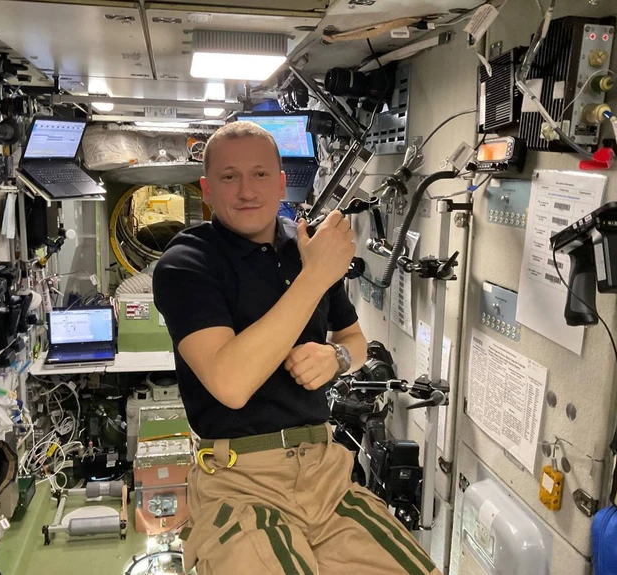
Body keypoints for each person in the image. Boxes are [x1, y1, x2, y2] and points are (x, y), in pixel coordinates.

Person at [153, 121, 439, 575]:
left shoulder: (303, 247)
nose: (247, 190)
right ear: (207, 189)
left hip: (327, 476)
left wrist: (336, 359)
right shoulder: (187, 263)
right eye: (229, 177)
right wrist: (315, 275)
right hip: (240, 482)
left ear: (281, 182)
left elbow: (355, 342)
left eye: (260, 174)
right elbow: (230, 384)